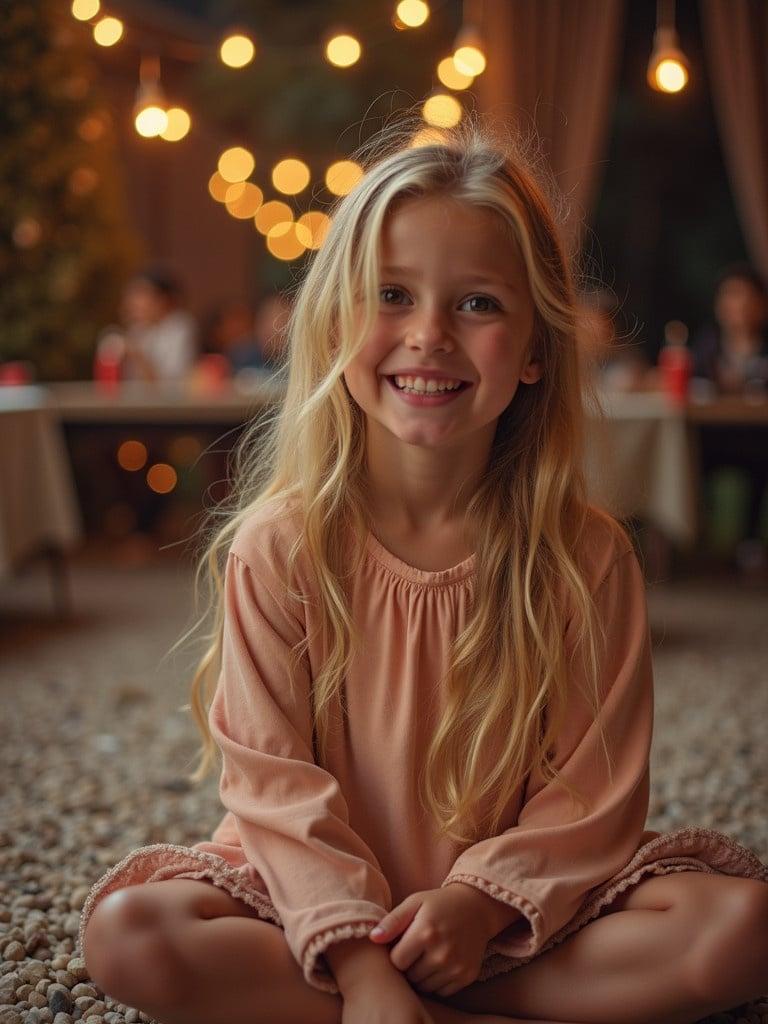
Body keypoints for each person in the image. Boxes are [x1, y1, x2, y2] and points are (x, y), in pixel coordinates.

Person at [78, 117, 768, 1024]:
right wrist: (361, 961)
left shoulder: (585, 555)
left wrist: (479, 906)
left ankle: (425, 1000)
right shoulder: (280, 545)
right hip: (309, 907)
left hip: (525, 914)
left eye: (478, 304)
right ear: (333, 328)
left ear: (533, 351)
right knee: (132, 933)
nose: (429, 335)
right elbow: (274, 788)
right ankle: (422, 1001)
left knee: (741, 927)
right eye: (391, 295)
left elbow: (590, 795)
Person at [690, 265, 768, 577]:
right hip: (712, 437)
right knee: (687, 458)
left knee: (762, 459)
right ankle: (695, 539)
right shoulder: (705, 346)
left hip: (757, 437)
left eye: (747, 298)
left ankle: (749, 543)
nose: (739, 307)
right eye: (731, 297)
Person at [116, 266, 198, 382]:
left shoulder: (179, 327)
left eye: (141, 295)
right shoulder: (137, 330)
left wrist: (137, 356)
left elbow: (171, 382)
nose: (134, 303)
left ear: (162, 300)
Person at [576, 287, 650, 392]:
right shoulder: (568, 360)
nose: (596, 332)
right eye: (588, 324)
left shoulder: (627, 357)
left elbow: (642, 378)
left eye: (604, 326)